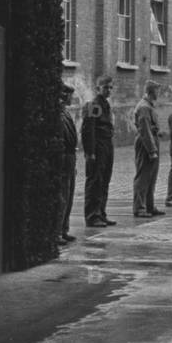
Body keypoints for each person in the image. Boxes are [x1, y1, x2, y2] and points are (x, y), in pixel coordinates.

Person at [81, 75, 116, 228]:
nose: (108, 90)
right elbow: (88, 130)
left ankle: (101, 213)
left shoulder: (105, 104)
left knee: (105, 181)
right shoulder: (94, 105)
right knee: (95, 181)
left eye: (110, 88)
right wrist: (90, 152)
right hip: (98, 147)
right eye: (105, 87)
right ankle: (92, 216)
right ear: (98, 88)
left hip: (107, 145)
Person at [133, 81, 163, 218]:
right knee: (143, 176)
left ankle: (149, 206)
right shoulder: (144, 107)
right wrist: (151, 150)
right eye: (157, 91)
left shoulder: (149, 106)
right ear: (151, 91)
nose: (159, 93)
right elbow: (144, 129)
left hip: (151, 140)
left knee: (151, 176)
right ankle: (139, 208)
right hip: (146, 143)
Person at [57, 83, 78, 245]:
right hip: (63, 158)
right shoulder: (58, 113)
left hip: (70, 158)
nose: (72, 98)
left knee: (69, 195)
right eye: (70, 95)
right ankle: (57, 232)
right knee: (62, 196)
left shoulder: (65, 113)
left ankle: (64, 229)